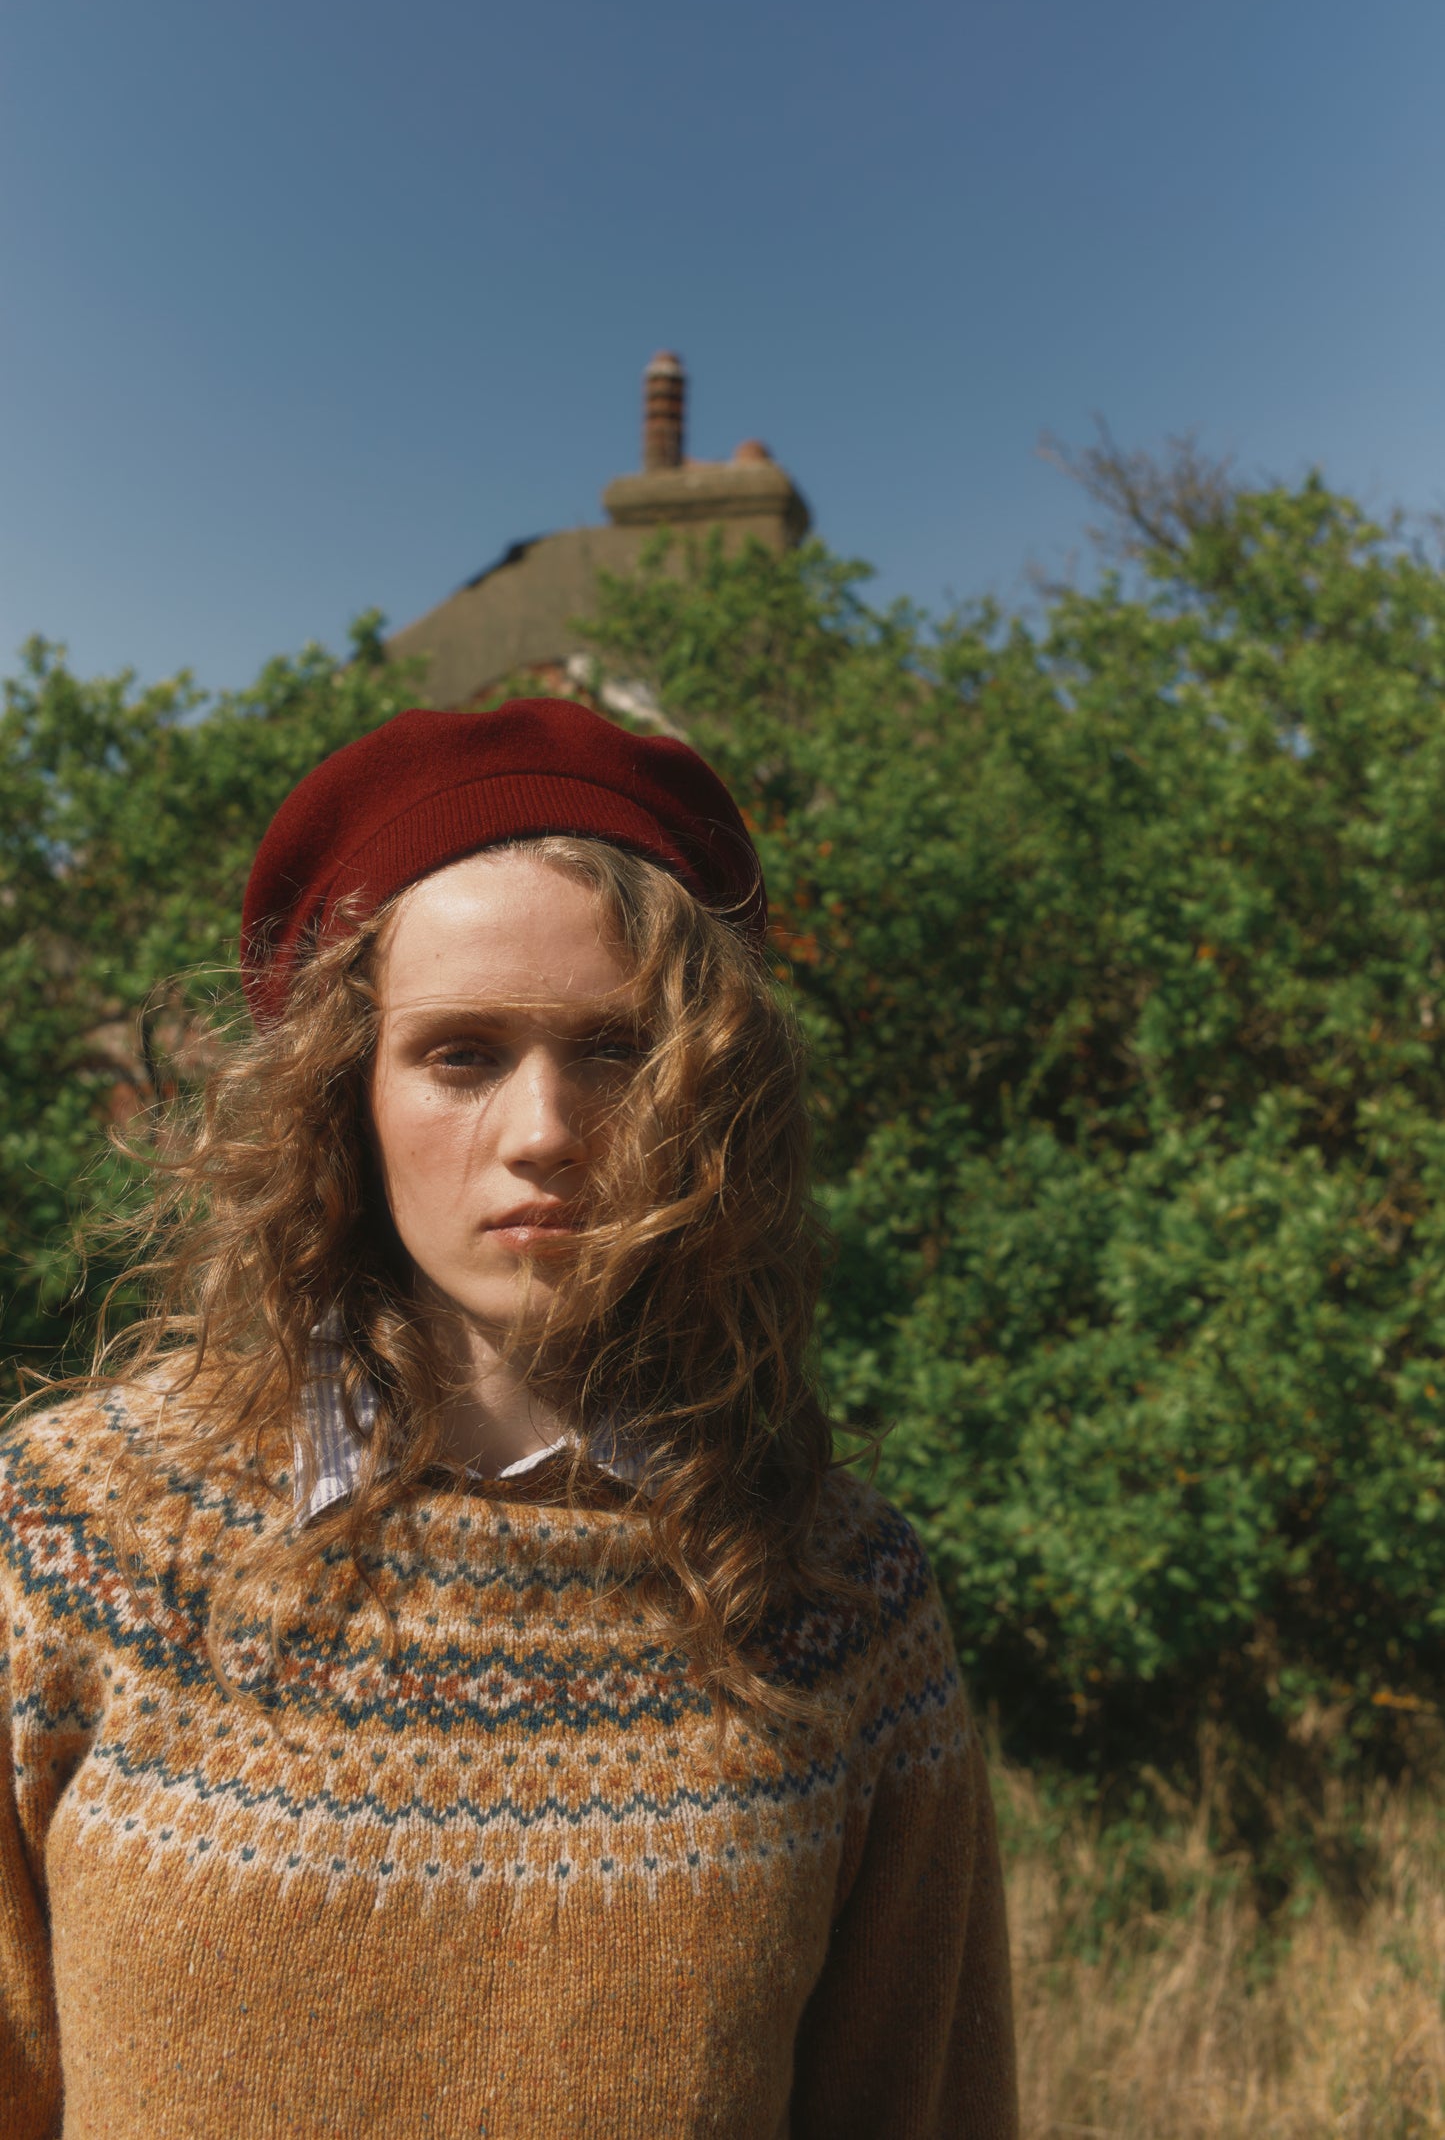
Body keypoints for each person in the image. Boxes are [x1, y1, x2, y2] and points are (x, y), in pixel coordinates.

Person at [0, 698, 1018, 2138]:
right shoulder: (66, 1539)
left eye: (610, 1049)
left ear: (706, 1090)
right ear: (342, 1092)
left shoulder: (838, 1597)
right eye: (461, 1054)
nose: (543, 1128)